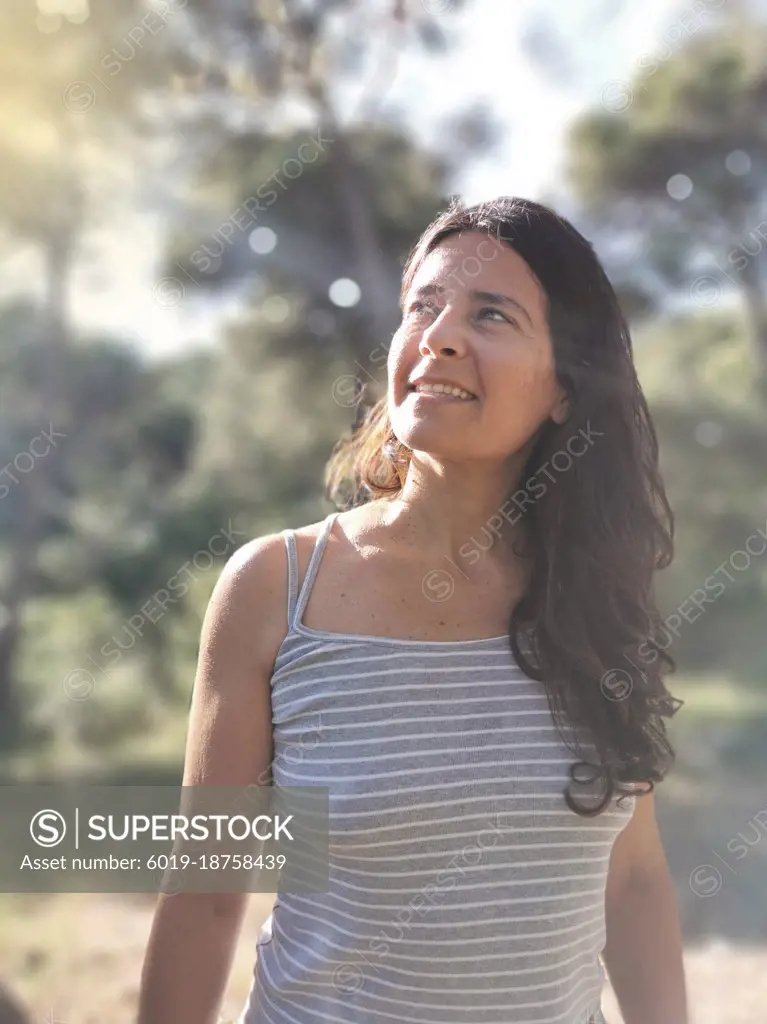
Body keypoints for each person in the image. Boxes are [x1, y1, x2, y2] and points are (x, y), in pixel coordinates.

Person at [138, 196, 689, 1024]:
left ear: (565, 391)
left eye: (491, 314)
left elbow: (633, 881)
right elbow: (206, 892)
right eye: (421, 308)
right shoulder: (274, 588)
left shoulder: (596, 598)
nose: (438, 335)